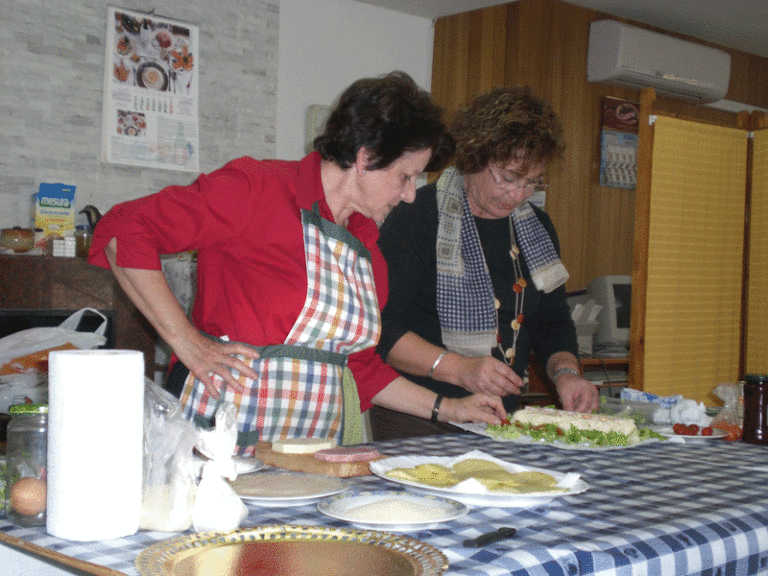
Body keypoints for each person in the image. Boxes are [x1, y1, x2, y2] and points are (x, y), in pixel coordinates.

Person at [89, 71, 506, 454]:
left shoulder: (368, 252)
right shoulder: (258, 190)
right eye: (406, 176)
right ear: (366, 157)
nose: (411, 194)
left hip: (313, 456)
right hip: (219, 441)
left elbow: (359, 370)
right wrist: (186, 341)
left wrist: (449, 408)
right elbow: (125, 230)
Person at [376, 86, 599, 430]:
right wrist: (461, 369)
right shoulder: (417, 216)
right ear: (475, 156)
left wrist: (566, 373)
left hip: (499, 420)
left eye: (533, 182)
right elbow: (381, 329)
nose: (518, 194)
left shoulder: (536, 228)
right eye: (509, 177)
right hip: (420, 416)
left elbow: (551, 321)